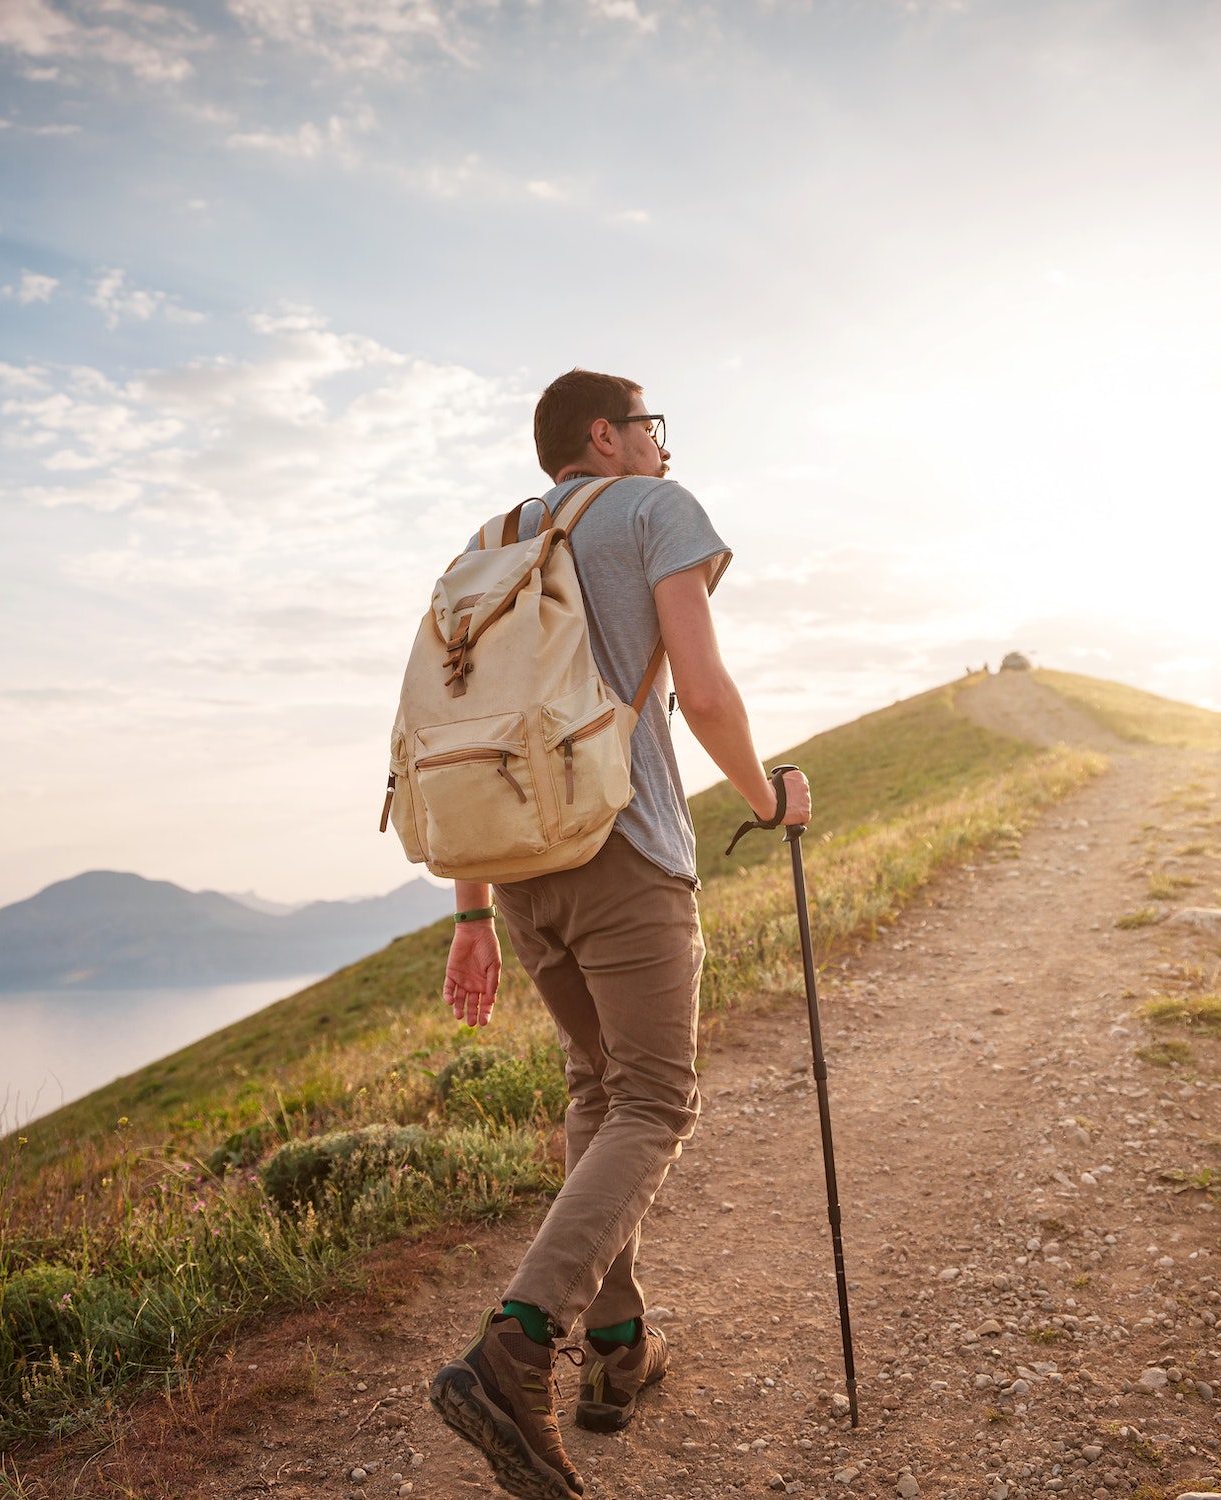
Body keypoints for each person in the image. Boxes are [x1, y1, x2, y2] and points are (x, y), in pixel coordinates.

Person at [428, 369, 810, 1500]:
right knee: (654, 1100)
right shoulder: (654, 512)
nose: (661, 446)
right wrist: (766, 797)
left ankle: (614, 1352)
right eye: (651, 426)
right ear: (605, 435)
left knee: (596, 1091)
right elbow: (699, 688)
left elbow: (456, 728)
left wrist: (467, 912)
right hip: (623, 851)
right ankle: (516, 1346)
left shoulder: (486, 541)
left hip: (515, 868)